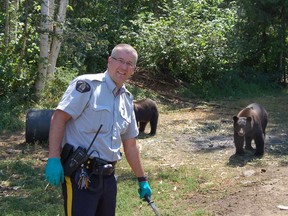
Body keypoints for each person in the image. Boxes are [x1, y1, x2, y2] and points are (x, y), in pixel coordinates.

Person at [45, 44, 152, 216]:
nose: (124, 67)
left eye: (129, 64)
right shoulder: (87, 86)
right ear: (110, 61)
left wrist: (142, 179)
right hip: (81, 177)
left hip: (108, 179)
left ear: (134, 69)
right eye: (120, 61)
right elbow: (59, 118)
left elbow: (130, 145)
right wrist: (53, 158)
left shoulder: (127, 99)